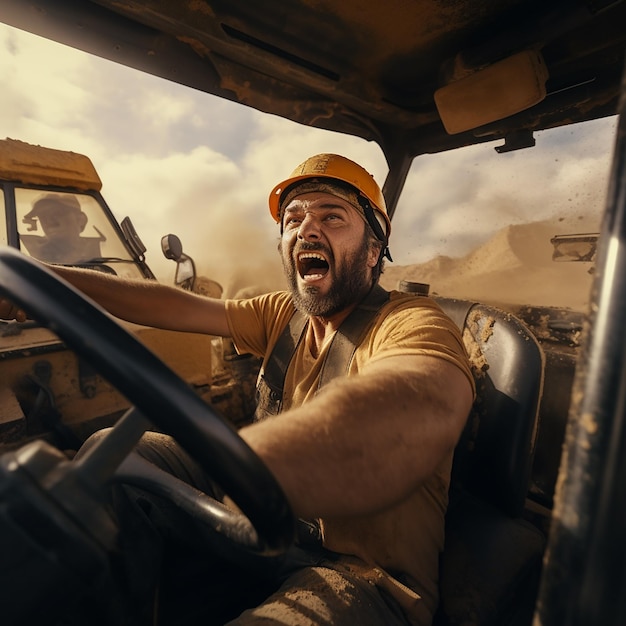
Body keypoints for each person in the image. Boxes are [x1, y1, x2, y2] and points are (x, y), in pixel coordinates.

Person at [0, 154, 474, 625]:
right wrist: (46, 278)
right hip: (267, 523)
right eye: (293, 218)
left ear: (374, 250)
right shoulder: (283, 315)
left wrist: (255, 464)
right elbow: (174, 305)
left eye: (332, 216)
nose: (306, 230)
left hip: (360, 573)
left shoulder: (411, 321)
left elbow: (419, 401)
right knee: (118, 456)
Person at [19, 192, 103, 264]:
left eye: (58, 213)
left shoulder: (102, 260)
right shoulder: (29, 256)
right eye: (43, 216)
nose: (50, 221)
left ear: (81, 219)